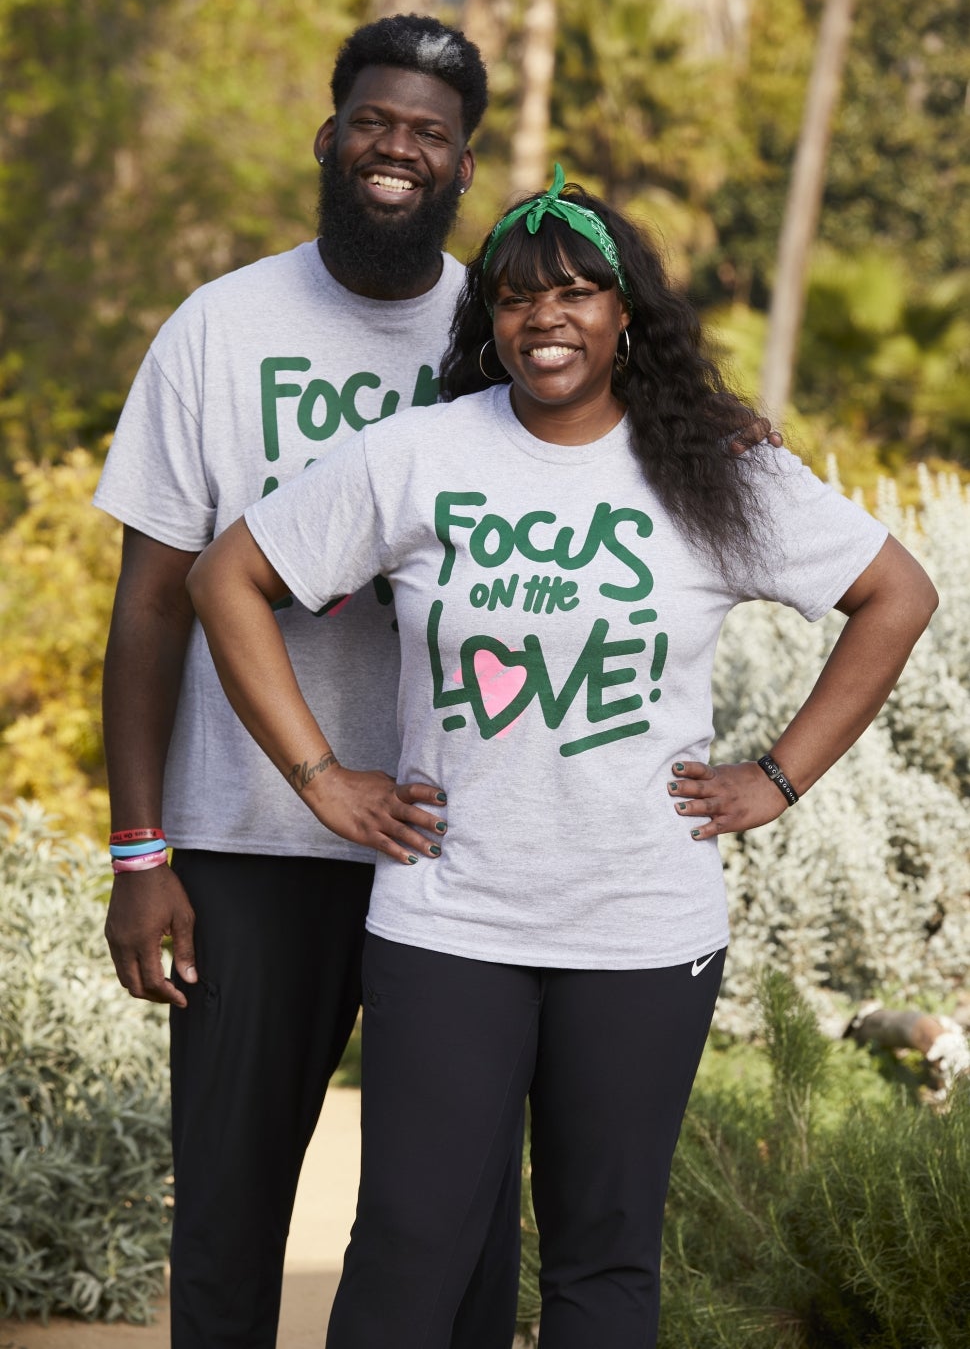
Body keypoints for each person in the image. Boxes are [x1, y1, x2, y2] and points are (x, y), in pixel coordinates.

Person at [185, 165, 938, 1349]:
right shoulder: (422, 454)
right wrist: (318, 775)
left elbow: (896, 593)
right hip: (449, 921)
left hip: (641, 925)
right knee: (407, 1248)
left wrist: (777, 775)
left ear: (624, 311)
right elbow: (225, 576)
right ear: (488, 318)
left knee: (602, 1258)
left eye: (578, 291)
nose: (546, 317)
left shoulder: (712, 466)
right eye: (516, 295)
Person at [94, 13, 524, 1349]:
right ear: (329, 137)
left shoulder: (504, 331)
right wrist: (139, 852)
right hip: (248, 842)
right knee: (227, 1220)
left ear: (464, 163)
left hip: (451, 847)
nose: (397, 149)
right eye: (374, 123)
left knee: (456, 1227)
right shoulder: (219, 330)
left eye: (428, 133)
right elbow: (150, 604)